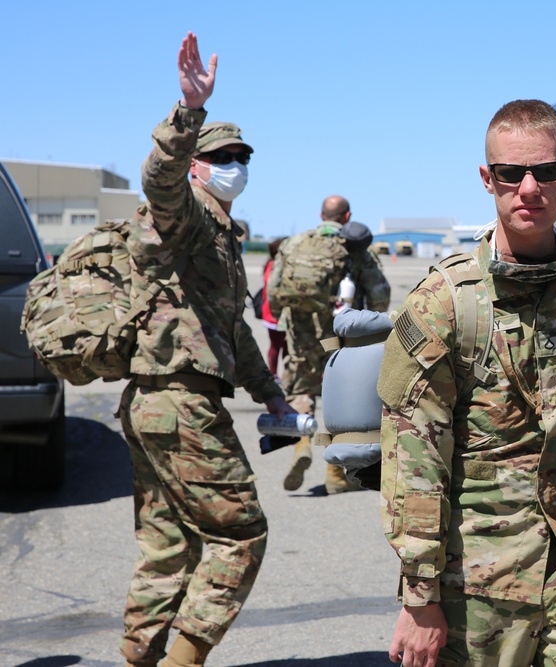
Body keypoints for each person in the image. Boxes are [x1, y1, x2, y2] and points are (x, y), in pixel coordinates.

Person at [377, 99, 556, 666]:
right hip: (475, 577)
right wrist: (420, 598)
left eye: (545, 172)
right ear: (488, 179)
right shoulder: (445, 303)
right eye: (511, 174)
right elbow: (414, 458)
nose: (529, 188)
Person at [118, 32, 294, 667]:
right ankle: (183, 660)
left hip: (158, 400)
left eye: (243, 155)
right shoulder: (184, 210)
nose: (235, 164)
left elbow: (234, 332)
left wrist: (270, 392)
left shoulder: (222, 233)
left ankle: (139, 658)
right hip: (179, 400)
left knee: (166, 546)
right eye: (222, 155)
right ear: (197, 163)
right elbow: (158, 178)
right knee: (241, 532)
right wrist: (187, 111)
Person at [271, 202, 390, 495]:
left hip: (301, 328)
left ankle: (301, 445)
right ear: (347, 216)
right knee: (344, 400)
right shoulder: (354, 245)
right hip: (342, 331)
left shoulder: (295, 243)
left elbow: (275, 291)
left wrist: (285, 317)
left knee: (301, 390)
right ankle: (336, 475)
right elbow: (379, 293)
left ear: (320, 215)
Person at [262, 236, 288, 380]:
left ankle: (286, 374)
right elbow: (271, 289)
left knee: (285, 346)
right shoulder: (274, 265)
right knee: (276, 345)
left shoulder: (274, 264)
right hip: (273, 313)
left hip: (276, 312)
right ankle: (272, 374)